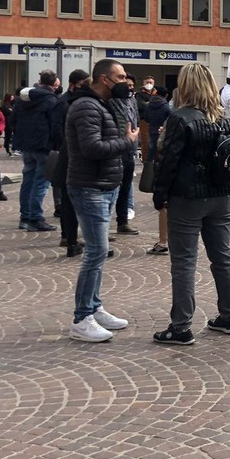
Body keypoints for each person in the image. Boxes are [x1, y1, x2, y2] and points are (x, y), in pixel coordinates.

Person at [151, 64, 230, 345]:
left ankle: (180, 326)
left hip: (188, 196)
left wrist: (160, 195)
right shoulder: (227, 116)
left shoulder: (180, 118)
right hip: (222, 194)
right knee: (222, 257)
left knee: (184, 262)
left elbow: (168, 162)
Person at [66, 59, 139, 343]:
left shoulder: (103, 104)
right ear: (104, 79)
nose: (125, 82)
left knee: (99, 252)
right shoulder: (85, 106)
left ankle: (94, 307)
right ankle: (81, 317)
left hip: (105, 185)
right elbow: (92, 147)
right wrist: (127, 142)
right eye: (120, 77)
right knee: (96, 252)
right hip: (89, 187)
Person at [15, 71, 60, 232]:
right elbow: (55, 124)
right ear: (54, 83)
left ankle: (25, 216)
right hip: (43, 145)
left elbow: (14, 120)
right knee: (41, 182)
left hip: (27, 144)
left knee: (28, 180)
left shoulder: (22, 99)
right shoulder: (51, 100)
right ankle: (35, 217)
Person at [54, 70, 91, 257]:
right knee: (71, 201)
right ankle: (70, 238)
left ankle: (70, 238)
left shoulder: (68, 101)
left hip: (67, 154)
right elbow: (58, 128)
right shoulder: (71, 104)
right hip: (70, 156)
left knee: (69, 201)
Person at [111, 74, 141, 235]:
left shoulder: (131, 101)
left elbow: (135, 118)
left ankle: (122, 221)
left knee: (126, 186)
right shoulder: (111, 102)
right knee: (113, 188)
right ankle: (106, 226)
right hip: (116, 149)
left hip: (130, 149)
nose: (129, 89)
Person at [1, 92, 16, 156]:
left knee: (10, 136)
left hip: (11, 122)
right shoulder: (5, 106)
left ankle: (11, 148)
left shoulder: (11, 105)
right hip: (8, 122)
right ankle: (8, 148)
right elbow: (8, 113)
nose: (13, 98)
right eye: (11, 97)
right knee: (8, 136)